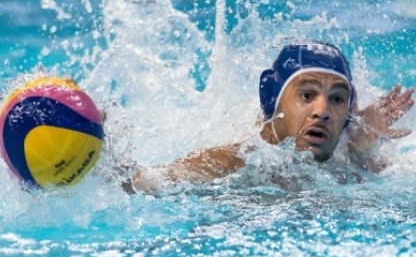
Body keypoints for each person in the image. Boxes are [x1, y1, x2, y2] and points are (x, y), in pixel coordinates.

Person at [127, 40, 415, 193]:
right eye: (306, 95)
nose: (323, 111)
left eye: (337, 99)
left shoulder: (345, 162)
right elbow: (145, 185)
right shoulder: (232, 164)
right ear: (271, 100)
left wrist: (361, 149)